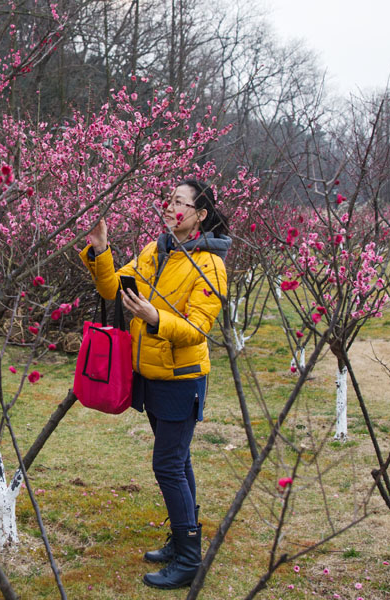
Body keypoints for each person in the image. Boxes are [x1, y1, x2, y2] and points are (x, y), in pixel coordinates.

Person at [80, 180, 231, 589]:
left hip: (182, 379)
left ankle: (188, 560)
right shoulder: (155, 249)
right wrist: (100, 250)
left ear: (199, 216)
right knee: (177, 461)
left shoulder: (209, 265)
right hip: (150, 373)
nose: (171, 207)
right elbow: (113, 288)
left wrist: (154, 317)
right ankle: (182, 538)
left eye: (181, 203)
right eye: (170, 200)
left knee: (167, 463)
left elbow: (198, 329)